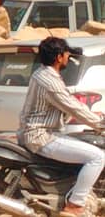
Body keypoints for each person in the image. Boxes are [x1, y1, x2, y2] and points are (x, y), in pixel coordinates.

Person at [17, 37, 105, 215]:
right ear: (58, 57)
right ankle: (75, 204)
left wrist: (95, 116)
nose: (68, 57)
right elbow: (72, 106)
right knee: (97, 157)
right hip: (41, 137)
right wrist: (100, 124)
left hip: (39, 133)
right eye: (66, 54)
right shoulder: (50, 81)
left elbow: (67, 103)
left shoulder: (43, 74)